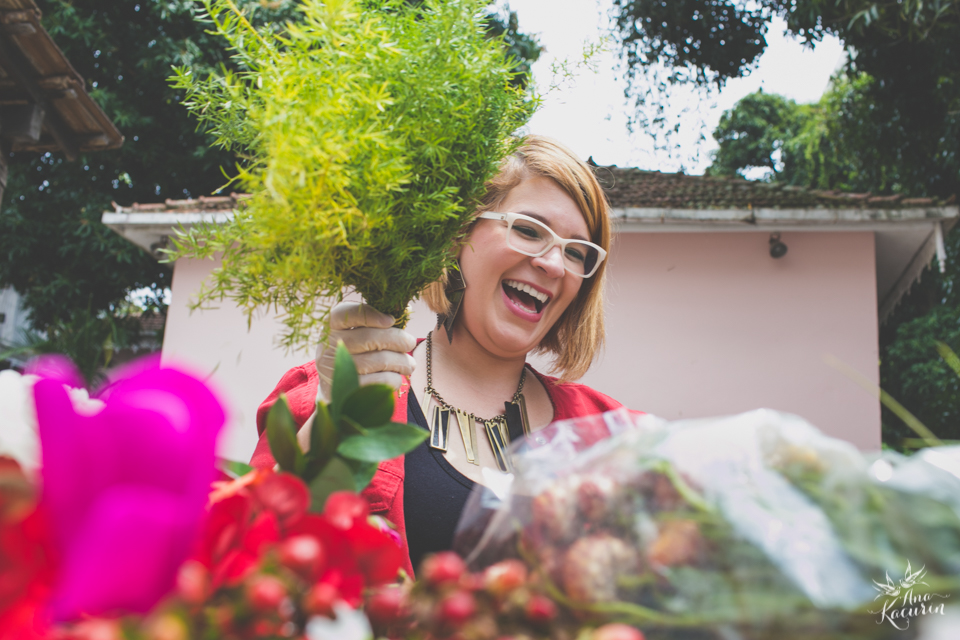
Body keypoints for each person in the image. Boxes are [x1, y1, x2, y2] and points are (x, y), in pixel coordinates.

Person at [250, 135, 627, 576]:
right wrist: (334, 419)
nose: (554, 265)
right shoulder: (322, 394)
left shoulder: (612, 434)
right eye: (528, 230)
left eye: (576, 253)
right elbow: (247, 562)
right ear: (458, 236)